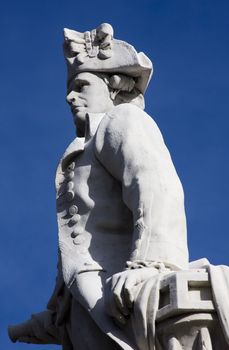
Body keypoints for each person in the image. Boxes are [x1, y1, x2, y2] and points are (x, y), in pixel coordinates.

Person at [8, 23, 189, 350]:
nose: (69, 96)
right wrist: (56, 314)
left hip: (119, 295)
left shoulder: (121, 122)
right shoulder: (81, 149)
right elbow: (78, 242)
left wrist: (150, 265)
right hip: (87, 305)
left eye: (81, 85)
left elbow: (156, 188)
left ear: (113, 87)